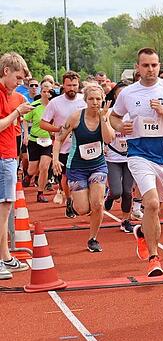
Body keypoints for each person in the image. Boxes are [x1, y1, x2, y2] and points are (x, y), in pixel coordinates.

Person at [110, 48, 163, 277]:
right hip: (138, 153)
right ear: (137, 67)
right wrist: (118, 126)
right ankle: (154, 258)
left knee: (156, 206)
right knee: (151, 203)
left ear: (159, 65)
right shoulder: (128, 94)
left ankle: (143, 233)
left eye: (154, 65)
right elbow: (114, 116)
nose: (150, 69)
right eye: (145, 65)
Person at [51, 85, 114, 253]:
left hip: (98, 165)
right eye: (91, 99)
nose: (95, 102)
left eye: (98, 99)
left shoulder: (105, 116)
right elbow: (59, 139)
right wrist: (55, 159)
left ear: (103, 100)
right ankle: (72, 200)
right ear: (85, 100)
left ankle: (93, 238)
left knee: (98, 204)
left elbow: (108, 140)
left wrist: (104, 119)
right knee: (82, 209)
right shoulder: (76, 117)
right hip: (77, 167)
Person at [0, 53, 33, 279]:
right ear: (6, 72)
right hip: (2, 157)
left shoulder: (17, 98)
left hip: (10, 157)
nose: (20, 83)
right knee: (2, 214)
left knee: (6, 211)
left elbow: (17, 130)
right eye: (18, 78)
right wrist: (16, 114)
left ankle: (6, 256)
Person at [40, 71, 86, 218]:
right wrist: (59, 129)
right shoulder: (55, 103)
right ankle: (69, 199)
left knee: (83, 176)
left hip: (83, 146)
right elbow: (43, 123)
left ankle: (83, 201)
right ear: (63, 86)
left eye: (74, 85)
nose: (72, 88)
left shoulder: (84, 100)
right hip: (64, 147)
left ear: (78, 85)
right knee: (66, 177)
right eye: (69, 85)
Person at [103, 83, 141, 232]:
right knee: (117, 191)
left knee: (127, 191)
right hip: (113, 156)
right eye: (120, 95)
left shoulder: (135, 112)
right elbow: (103, 134)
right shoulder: (109, 112)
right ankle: (110, 197)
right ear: (115, 96)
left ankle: (125, 220)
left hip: (130, 155)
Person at [23, 80, 55, 203]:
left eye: (49, 92)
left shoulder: (55, 106)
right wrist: (26, 134)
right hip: (34, 140)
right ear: (41, 92)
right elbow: (25, 120)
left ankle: (40, 193)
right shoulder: (35, 105)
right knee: (33, 168)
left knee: (44, 167)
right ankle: (29, 175)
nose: (46, 94)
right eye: (44, 91)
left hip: (47, 141)